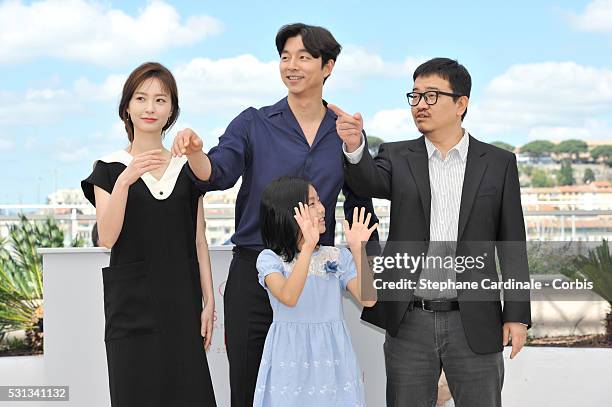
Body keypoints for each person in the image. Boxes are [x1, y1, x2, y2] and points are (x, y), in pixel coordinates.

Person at [171, 23, 379, 407]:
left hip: (316, 278)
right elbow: (216, 173)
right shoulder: (254, 122)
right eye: (285, 57)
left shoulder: (345, 131)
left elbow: (365, 192)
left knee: (312, 392)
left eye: (303, 57)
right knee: (249, 391)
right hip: (256, 272)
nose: (291, 65)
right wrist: (196, 151)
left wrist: (355, 148)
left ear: (328, 66)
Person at [331, 57, 531, 407]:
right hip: (410, 320)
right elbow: (365, 181)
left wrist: (516, 314)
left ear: (461, 104)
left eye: (432, 96)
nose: (420, 105)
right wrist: (353, 146)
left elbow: (512, 243)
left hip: (475, 320)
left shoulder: (498, 164)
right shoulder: (396, 155)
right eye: (415, 95)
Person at [81, 62, 216, 407]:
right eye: (141, 98)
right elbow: (107, 238)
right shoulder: (109, 168)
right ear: (127, 107)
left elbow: (199, 239)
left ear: (171, 109)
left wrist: (209, 302)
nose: (150, 108)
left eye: (160, 100)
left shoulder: (186, 169)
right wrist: (126, 180)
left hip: (182, 305)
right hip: (132, 308)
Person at [254, 176, 377, 407]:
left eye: (319, 201)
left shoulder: (337, 256)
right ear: (289, 211)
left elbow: (369, 299)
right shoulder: (270, 259)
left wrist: (358, 250)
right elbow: (288, 296)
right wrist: (308, 247)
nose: (322, 209)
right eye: (312, 203)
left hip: (333, 357)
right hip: (290, 357)